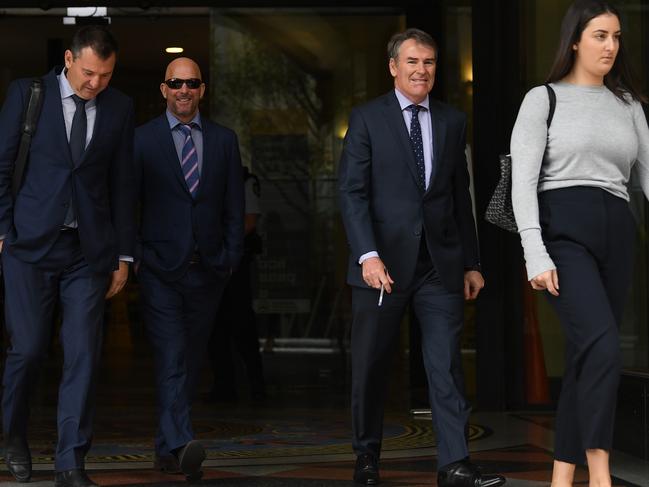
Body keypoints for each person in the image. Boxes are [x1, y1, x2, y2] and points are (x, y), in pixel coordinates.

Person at [338, 28, 506, 487]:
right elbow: (351, 193)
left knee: (446, 364)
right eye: (412, 61)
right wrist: (367, 256)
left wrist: (471, 262)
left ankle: (454, 464)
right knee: (371, 366)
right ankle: (367, 456)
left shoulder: (453, 121)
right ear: (394, 67)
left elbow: (459, 194)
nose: (421, 70)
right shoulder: (367, 118)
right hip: (382, 269)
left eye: (428, 62)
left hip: (439, 265)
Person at [511, 1, 649, 485]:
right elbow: (521, 184)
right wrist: (535, 251)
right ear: (574, 40)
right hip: (563, 231)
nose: (610, 45)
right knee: (605, 348)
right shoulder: (542, 99)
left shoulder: (628, 104)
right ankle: (601, 473)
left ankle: (561, 476)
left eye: (615, 36)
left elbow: (647, 179)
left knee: (587, 355)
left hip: (617, 230)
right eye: (599, 35)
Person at [0, 26, 134, 487]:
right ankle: (13, 437)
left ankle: (70, 462)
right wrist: (3, 230)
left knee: (83, 354)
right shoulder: (27, 94)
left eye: (106, 75)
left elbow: (122, 184)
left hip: (87, 252)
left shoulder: (119, 108)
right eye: (89, 72)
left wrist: (124, 254)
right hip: (29, 248)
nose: (95, 83)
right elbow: (1, 165)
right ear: (69, 58)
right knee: (29, 349)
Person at [134, 57, 244, 481]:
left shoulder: (224, 140)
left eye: (192, 83)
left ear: (202, 89)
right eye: (176, 83)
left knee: (190, 360)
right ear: (164, 89)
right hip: (161, 269)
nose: (184, 90)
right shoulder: (142, 140)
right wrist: (136, 256)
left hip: (209, 270)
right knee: (172, 356)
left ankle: (166, 447)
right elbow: (128, 203)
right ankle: (182, 444)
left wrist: (231, 256)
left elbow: (234, 205)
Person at [208, 166, 266, 403]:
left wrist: (220, 242)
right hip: (215, 262)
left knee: (242, 326)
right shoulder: (212, 179)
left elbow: (249, 222)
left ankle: (256, 386)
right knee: (216, 326)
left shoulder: (245, 181)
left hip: (236, 263)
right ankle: (224, 386)